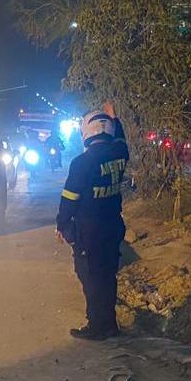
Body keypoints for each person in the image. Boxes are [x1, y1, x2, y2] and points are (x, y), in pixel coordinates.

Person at [56, 106, 130, 341]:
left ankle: (97, 326)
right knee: (108, 275)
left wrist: (62, 224)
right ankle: (109, 324)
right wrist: (115, 117)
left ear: (86, 132)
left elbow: (69, 198)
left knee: (90, 276)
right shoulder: (120, 153)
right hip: (113, 226)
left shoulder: (81, 162)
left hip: (90, 230)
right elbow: (121, 138)